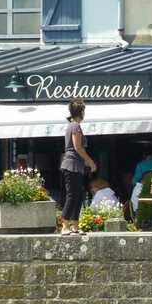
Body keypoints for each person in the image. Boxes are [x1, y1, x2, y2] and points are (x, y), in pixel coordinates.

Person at [60, 100, 96, 235]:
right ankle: (64, 225)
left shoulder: (73, 125)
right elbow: (78, 147)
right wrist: (90, 161)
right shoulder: (75, 126)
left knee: (78, 195)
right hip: (71, 165)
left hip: (76, 166)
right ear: (80, 112)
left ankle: (75, 225)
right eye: (83, 110)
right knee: (72, 195)